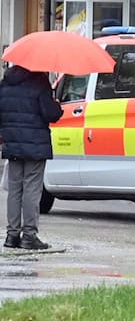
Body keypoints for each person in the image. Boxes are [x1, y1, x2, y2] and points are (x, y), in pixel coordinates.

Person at [0, 65, 64, 250]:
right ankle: (29, 235)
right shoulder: (40, 83)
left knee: (14, 190)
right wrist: (56, 104)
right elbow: (51, 114)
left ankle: (11, 235)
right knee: (31, 190)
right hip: (35, 145)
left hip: (12, 144)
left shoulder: (5, 84)